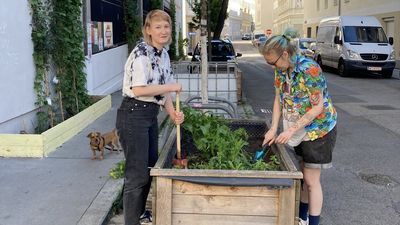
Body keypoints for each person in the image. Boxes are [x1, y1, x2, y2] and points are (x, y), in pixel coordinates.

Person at [261, 28, 337, 225]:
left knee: (312, 181)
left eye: (272, 62)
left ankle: (312, 222)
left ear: (285, 54)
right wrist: (273, 127)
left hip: (318, 131)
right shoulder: (281, 70)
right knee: (303, 176)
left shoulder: (309, 69)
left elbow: (318, 107)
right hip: (299, 130)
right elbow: (278, 99)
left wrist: (290, 130)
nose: (271, 67)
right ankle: (302, 218)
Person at [116, 9, 184, 225]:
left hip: (149, 114)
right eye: (158, 27)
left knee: (150, 168)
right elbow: (138, 89)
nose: (163, 31)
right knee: (137, 175)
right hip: (133, 114)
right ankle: (131, 221)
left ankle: (139, 214)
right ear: (148, 30)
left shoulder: (163, 53)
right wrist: (171, 86)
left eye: (166, 26)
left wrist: (172, 113)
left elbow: (162, 92)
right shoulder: (141, 54)